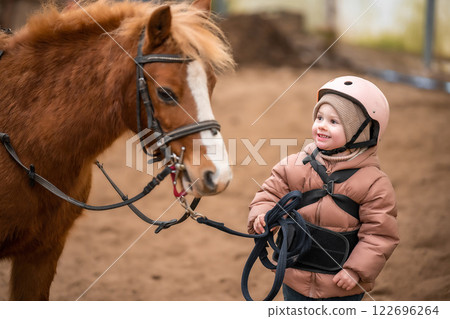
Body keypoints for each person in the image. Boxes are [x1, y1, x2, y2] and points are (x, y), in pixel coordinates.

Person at [248, 76, 399, 301]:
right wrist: (261, 216)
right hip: (294, 278)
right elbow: (268, 193)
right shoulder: (293, 165)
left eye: (334, 121)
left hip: (340, 286)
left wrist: (356, 270)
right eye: (319, 117)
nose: (321, 125)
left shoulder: (374, 184)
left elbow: (379, 235)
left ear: (361, 132)